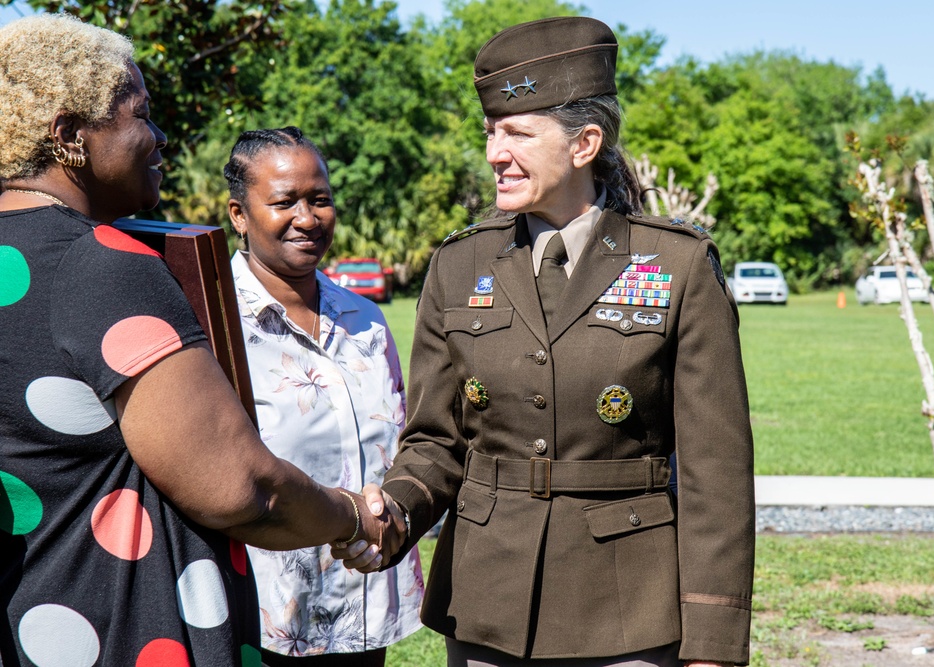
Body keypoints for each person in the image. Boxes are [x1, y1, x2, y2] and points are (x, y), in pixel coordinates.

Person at [336, 16, 756, 667]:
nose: (494, 153)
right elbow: (435, 441)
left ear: (585, 143)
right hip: (486, 604)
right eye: (490, 132)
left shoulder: (677, 267)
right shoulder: (458, 265)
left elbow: (716, 476)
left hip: (629, 611)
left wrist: (713, 643)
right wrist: (395, 509)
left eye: (517, 134)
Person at [0, 14, 399, 666]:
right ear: (70, 135)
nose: (159, 136)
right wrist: (352, 516)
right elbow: (244, 489)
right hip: (129, 630)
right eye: (140, 113)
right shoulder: (103, 266)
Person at [223, 127, 423, 667]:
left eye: (320, 200)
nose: (308, 218)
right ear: (239, 215)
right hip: (268, 616)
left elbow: (401, 438)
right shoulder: (214, 326)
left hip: (363, 600)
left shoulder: (367, 321)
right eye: (284, 201)